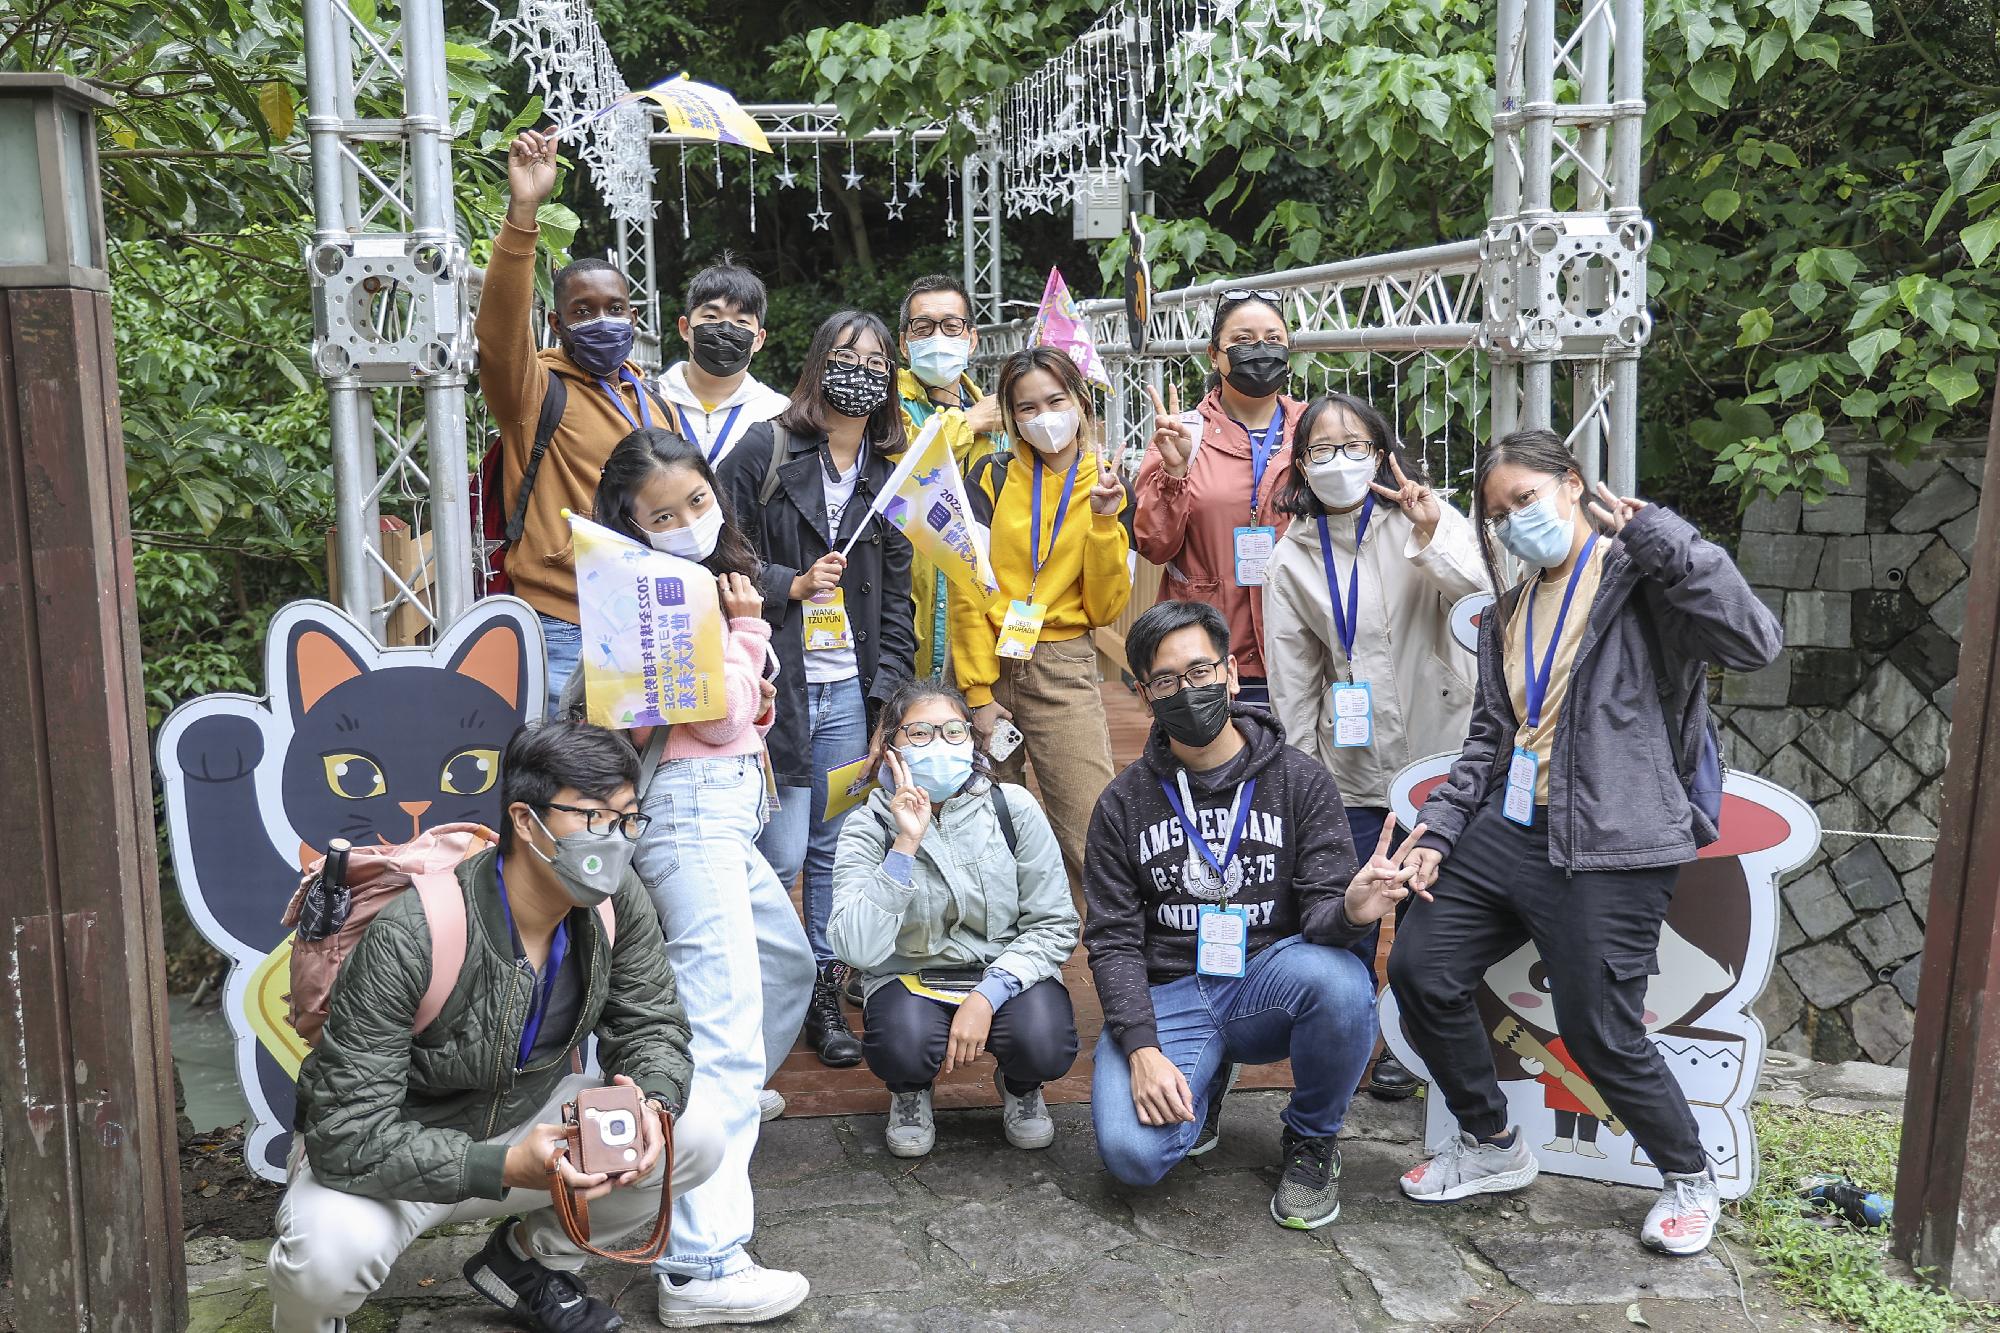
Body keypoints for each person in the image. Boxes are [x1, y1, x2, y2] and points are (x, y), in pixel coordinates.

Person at [1387, 428, 1783, 1258]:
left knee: (1599, 1026)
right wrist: (1438, 829)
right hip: (1509, 825)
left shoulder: (1642, 579)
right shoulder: (1511, 610)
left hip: (1616, 838)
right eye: (1497, 514)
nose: (1512, 522)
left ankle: (1689, 1175)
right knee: (1421, 968)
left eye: (1524, 499)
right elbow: (1491, 737)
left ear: (1573, 485)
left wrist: (1667, 538)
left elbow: (1754, 641)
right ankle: (1492, 1144)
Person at [267, 721, 723, 1333]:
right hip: (392, 1153)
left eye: (626, 820)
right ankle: (308, 1322)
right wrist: (504, 1166)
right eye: (590, 817)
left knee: (687, 1136)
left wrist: (650, 1100)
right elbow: (348, 1135)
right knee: (326, 1259)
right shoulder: (415, 932)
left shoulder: (616, 900)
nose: (612, 841)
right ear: (527, 821)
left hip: (526, 1128)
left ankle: (522, 1265)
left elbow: (652, 1027)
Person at [1083, 600, 1425, 1230]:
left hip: (1264, 979)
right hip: (1169, 995)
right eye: (1166, 681)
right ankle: (1203, 1080)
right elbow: (1112, 939)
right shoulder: (1122, 803)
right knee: (1134, 1158)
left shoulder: (1299, 781)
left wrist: (1351, 908)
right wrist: (1142, 1050)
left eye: (1201, 671)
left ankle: (1312, 1138)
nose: (1189, 691)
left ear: (1232, 674)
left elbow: (1324, 914)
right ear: (1144, 693)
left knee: (1342, 983)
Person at [582, 428, 813, 1325]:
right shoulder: (650, 588)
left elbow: (741, 703)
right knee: (718, 1028)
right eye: (662, 514)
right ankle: (701, 1261)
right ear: (630, 524)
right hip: (690, 813)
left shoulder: (697, 580)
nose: (685, 522)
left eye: (697, 502)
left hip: (720, 814)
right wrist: (751, 631)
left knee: (782, 969)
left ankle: (708, 1121)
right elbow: (718, 712)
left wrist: (745, 661)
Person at [1262, 393, 1486, 1101]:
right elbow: (1291, 681)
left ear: (1383, 451)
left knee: (1432, 920)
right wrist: (1301, 780)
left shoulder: (1426, 521)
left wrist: (1433, 532)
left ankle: (1410, 1045)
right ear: (1301, 463)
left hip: (1438, 756)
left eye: (1354, 444)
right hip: (1349, 768)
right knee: (1348, 916)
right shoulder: (1291, 556)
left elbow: (1483, 604)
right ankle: (1348, 1037)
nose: (1339, 461)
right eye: (1321, 448)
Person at [716, 310, 917, 1068]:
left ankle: (827, 993)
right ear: (816, 362)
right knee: (781, 849)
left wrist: (886, 700)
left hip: (851, 690)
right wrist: (787, 583)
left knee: (835, 846)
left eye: (875, 359)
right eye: (844, 354)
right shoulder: (766, 447)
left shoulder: (890, 469)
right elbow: (716, 548)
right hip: (778, 688)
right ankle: (769, 988)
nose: (860, 370)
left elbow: (896, 598)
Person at [828, 679, 1081, 1157]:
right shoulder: (868, 824)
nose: (938, 744)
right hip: (908, 977)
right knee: (902, 1045)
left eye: (952, 731)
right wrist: (904, 845)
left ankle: (1022, 1087)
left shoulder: (1013, 808)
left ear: (972, 740)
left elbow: (1055, 924)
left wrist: (988, 995)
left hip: (1004, 972)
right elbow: (854, 948)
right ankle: (909, 1091)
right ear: (891, 747)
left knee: (1045, 1042)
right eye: (920, 733)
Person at [476, 128, 669, 717]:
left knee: (632, 798)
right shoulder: (536, 389)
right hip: (562, 630)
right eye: (582, 312)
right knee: (565, 791)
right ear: (556, 326)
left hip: (651, 627)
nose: (602, 322)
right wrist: (523, 213)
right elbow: (498, 331)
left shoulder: (650, 397)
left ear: (634, 315)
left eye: (615, 309)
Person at [950, 346, 1129, 892]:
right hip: (993, 659)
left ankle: (1116, 959)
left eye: (1056, 401)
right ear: (1009, 419)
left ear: (1081, 402)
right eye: (1026, 409)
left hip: (1063, 663)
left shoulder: (1109, 480)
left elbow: (1104, 608)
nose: (1044, 417)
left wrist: (1103, 521)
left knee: (1089, 824)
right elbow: (967, 585)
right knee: (988, 829)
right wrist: (977, 695)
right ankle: (1008, 964)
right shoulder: (989, 475)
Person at [1132, 291, 1305, 706]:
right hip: (1204, 654)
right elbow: (1154, 546)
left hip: (1299, 646)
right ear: (1214, 354)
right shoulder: (1182, 435)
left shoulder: (1316, 433)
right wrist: (1173, 475)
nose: (1259, 351)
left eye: (1272, 339)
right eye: (1243, 340)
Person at [895, 273, 1006, 680]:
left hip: (983, 620)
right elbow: (905, 468)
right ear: (905, 343)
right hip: (907, 615)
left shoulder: (1000, 419)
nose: (938, 336)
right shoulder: (886, 404)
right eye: (923, 327)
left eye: (951, 326)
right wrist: (969, 422)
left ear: (971, 338)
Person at [656, 255, 790, 469]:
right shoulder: (650, 401)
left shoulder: (778, 413)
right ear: (684, 328)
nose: (726, 329)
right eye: (711, 317)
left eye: (742, 321)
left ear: (759, 340)